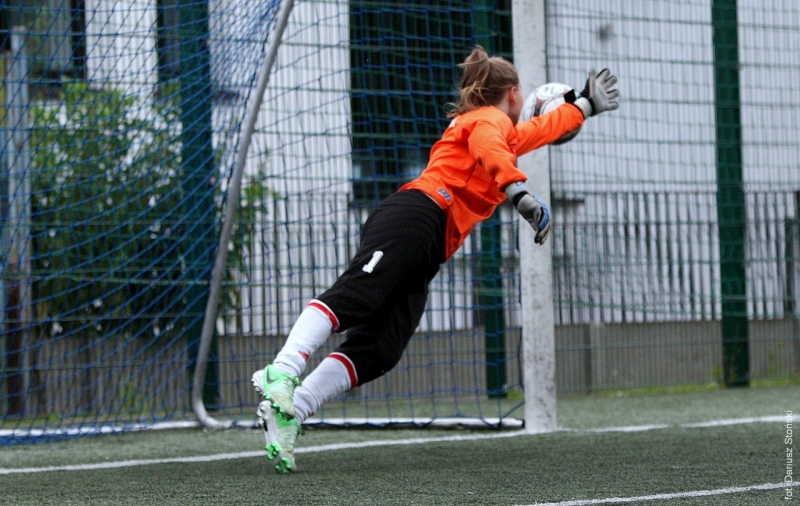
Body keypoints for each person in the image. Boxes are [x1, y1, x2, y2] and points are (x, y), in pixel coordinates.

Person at [251, 46, 619, 473]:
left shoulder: (501, 131)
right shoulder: (487, 120)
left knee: (381, 348)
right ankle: (283, 370)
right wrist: (517, 192)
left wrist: (585, 105)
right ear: (514, 94)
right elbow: (491, 144)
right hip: (417, 213)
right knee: (358, 295)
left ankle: (292, 410)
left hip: (429, 240)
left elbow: (542, 127)